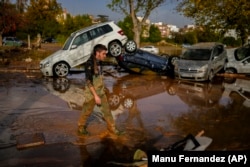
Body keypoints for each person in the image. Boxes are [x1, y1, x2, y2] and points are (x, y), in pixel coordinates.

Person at [78, 44, 121, 136]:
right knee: (87, 111)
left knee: (107, 111)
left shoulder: (99, 62)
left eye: (105, 54)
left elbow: (99, 76)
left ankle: (112, 129)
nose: (105, 56)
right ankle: (81, 127)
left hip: (100, 91)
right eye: (103, 54)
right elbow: (88, 81)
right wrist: (95, 96)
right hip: (91, 93)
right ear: (97, 53)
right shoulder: (89, 64)